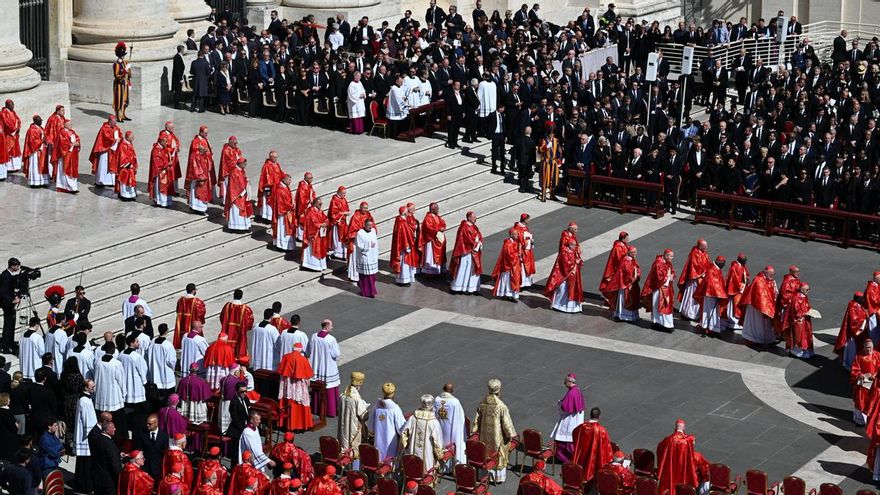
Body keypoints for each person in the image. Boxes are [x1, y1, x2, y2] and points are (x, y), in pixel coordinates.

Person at [472, 379, 517, 483]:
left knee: (485, 452)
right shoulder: (501, 406)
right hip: (498, 437)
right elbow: (507, 425)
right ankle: (497, 477)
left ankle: (484, 475)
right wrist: (510, 435)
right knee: (498, 453)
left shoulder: (482, 403)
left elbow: (477, 420)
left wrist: (475, 429)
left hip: (484, 436)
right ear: (499, 391)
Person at [656, 420, 709, 495]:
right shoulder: (688, 441)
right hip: (684, 474)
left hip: (671, 470)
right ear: (684, 428)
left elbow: (660, 449)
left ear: (675, 427)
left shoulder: (668, 440)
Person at [400, 394, 444, 475]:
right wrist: (439, 454)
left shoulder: (413, 418)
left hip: (412, 453)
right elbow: (437, 442)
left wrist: (405, 445)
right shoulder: (433, 422)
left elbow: (404, 433)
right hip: (427, 455)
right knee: (426, 471)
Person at [307, 319, 341, 417]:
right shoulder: (331, 339)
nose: (332, 327)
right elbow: (336, 354)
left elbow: (309, 350)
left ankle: (316, 408)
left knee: (318, 386)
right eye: (331, 325)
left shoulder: (314, 336)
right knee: (329, 387)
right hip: (328, 367)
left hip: (317, 366)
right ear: (326, 326)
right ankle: (330, 411)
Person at [278, 342, 314, 431]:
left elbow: (282, 372)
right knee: (299, 403)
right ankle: (300, 425)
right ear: (300, 349)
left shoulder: (286, 357)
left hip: (288, 385)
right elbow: (308, 374)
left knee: (288, 402)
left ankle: (287, 424)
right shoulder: (302, 359)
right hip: (298, 386)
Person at [739, 266, 779, 346]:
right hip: (756, 307)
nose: (772, 276)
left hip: (765, 306)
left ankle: (769, 339)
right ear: (766, 273)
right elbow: (760, 296)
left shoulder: (770, 280)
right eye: (771, 274)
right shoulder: (759, 280)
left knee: (766, 324)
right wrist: (766, 307)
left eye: (773, 274)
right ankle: (754, 339)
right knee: (757, 324)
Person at [550, 374, 585, 463]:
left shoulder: (571, 393)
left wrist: (560, 404)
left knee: (565, 440)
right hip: (576, 419)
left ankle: (565, 458)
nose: (564, 384)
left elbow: (566, 409)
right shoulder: (576, 390)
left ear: (570, 382)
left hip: (570, 420)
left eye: (565, 382)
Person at [338, 371, 369, 470]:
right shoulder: (356, 399)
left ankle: (344, 468)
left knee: (343, 445)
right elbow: (363, 415)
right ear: (359, 384)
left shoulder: (342, 396)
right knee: (354, 450)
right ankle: (354, 471)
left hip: (343, 428)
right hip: (353, 428)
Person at [368, 382, 405, 463]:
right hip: (391, 442)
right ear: (393, 394)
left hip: (378, 441)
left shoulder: (377, 407)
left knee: (379, 458)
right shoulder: (395, 409)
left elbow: (371, 427)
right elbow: (401, 429)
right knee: (390, 461)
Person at [545, 238, 583, 313]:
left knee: (574, 290)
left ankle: (573, 308)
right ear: (569, 245)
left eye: (576, 245)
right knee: (563, 290)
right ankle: (558, 305)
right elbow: (565, 264)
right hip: (564, 276)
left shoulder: (575, 252)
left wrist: (579, 262)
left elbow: (579, 260)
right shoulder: (564, 252)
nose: (575, 247)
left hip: (574, 276)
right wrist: (575, 262)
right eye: (573, 245)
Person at [450, 211, 484, 295]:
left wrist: (479, 241)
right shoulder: (464, 227)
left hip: (474, 252)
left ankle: (472, 288)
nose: (475, 218)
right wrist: (476, 243)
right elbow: (466, 240)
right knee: (463, 269)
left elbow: (479, 235)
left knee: (473, 269)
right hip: (466, 252)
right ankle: (458, 287)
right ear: (469, 218)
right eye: (474, 217)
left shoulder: (474, 227)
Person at [641, 249, 676, 330]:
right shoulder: (658, 263)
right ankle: (660, 323)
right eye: (671, 256)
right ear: (666, 256)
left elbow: (672, 271)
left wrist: (672, 276)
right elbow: (658, 277)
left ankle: (664, 324)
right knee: (660, 306)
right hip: (659, 289)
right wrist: (668, 277)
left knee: (665, 306)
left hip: (666, 288)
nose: (672, 258)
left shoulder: (667, 262)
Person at [604, 246, 641, 322]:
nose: (635, 253)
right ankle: (625, 316)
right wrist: (632, 279)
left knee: (632, 299)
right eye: (634, 252)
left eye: (635, 252)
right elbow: (627, 274)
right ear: (629, 253)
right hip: (626, 284)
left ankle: (632, 316)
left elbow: (636, 269)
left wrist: (637, 273)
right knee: (626, 300)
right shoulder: (626, 261)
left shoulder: (631, 260)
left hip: (631, 283)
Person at [433, 383, 466, 468]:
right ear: (451, 390)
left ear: (443, 388)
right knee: (453, 442)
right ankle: (451, 467)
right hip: (451, 429)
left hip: (439, 428)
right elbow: (460, 418)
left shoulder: (436, 400)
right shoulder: (455, 402)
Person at [694, 256, 728, 335]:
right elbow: (712, 284)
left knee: (713, 312)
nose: (723, 266)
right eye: (723, 264)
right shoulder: (711, 270)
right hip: (710, 294)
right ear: (719, 263)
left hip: (715, 294)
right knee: (708, 311)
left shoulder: (717, 269)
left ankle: (713, 328)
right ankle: (706, 327)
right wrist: (719, 294)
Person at [835, 292, 869, 370]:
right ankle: (849, 365)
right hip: (852, 335)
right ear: (857, 299)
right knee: (852, 351)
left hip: (856, 333)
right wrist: (864, 320)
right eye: (861, 298)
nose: (863, 300)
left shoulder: (857, 306)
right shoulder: (852, 308)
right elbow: (854, 321)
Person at [677, 239, 709, 321]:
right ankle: (688, 313)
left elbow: (706, 263)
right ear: (700, 246)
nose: (706, 248)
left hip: (701, 278)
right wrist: (704, 272)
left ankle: (696, 314)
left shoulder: (704, 252)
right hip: (694, 279)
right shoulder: (694, 253)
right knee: (692, 296)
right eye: (705, 247)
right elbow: (695, 266)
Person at [186, 125, 215, 213]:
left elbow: (207, 151)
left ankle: (199, 206)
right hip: (197, 170)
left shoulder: (205, 140)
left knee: (203, 189)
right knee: (197, 188)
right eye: (205, 133)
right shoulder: (196, 141)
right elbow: (194, 154)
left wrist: (209, 152)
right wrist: (204, 152)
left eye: (207, 133)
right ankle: (196, 207)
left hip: (204, 168)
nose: (207, 135)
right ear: (201, 132)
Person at [782, 283, 815, 358]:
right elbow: (796, 312)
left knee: (806, 337)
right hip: (799, 322)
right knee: (798, 337)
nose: (808, 291)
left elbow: (806, 305)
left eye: (809, 289)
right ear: (801, 289)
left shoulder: (804, 296)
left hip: (805, 321)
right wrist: (805, 313)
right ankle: (796, 352)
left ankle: (806, 351)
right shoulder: (796, 298)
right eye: (807, 289)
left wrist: (810, 309)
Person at [852, 340, 880, 426]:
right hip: (863, 383)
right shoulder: (859, 356)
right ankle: (860, 420)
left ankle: (872, 419)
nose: (868, 350)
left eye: (870, 348)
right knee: (860, 401)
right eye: (866, 348)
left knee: (873, 402)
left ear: (873, 347)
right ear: (863, 348)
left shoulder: (878, 355)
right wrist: (859, 375)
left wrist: (875, 375)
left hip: (874, 383)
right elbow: (855, 368)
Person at [220, 289, 255, 357]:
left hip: (228, 333)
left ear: (233, 296)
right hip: (240, 335)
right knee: (239, 350)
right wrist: (246, 328)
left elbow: (222, 317)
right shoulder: (246, 309)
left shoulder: (227, 306)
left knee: (227, 352)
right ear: (241, 296)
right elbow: (250, 321)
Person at [133, 414, 168, 483]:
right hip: (144, 466)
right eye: (147, 423)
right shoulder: (142, 433)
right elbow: (138, 448)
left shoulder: (164, 436)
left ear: (156, 424)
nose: (147, 425)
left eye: (150, 424)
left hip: (156, 466)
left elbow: (165, 451)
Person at [89, 115, 121, 188]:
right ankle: (100, 181)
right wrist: (116, 140)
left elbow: (120, 135)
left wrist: (120, 139)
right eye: (114, 122)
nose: (115, 123)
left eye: (115, 121)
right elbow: (106, 139)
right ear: (109, 122)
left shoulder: (116, 128)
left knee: (112, 165)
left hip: (113, 151)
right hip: (105, 150)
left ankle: (110, 181)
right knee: (103, 166)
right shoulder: (104, 129)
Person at [90, 421, 121, 495]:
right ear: (107, 430)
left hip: (97, 476)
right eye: (113, 428)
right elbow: (114, 463)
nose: (115, 429)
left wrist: (118, 453)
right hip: (108, 479)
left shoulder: (96, 439)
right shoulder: (109, 444)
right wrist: (119, 476)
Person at [391, 206, 419, 286]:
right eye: (407, 211)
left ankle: (403, 279)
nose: (408, 213)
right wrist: (407, 246)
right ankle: (403, 281)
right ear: (404, 212)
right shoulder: (402, 223)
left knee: (404, 264)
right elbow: (403, 236)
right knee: (404, 264)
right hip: (403, 248)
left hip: (401, 247)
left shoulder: (400, 221)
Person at [346, 202, 375, 281]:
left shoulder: (368, 215)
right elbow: (351, 231)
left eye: (366, 208)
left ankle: (364, 274)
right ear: (360, 207)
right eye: (364, 208)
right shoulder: (355, 217)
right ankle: (354, 276)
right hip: (357, 242)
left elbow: (373, 226)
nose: (365, 210)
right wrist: (361, 233)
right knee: (356, 259)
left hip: (367, 242)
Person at [492, 229, 523, 301]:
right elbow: (509, 255)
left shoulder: (514, 242)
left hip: (513, 265)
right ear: (511, 235)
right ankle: (508, 294)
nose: (518, 235)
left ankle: (508, 294)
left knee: (510, 280)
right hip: (508, 266)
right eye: (516, 234)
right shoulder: (508, 243)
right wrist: (517, 255)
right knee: (508, 280)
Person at [173, 283, 206, 350]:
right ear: (193, 291)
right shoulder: (198, 302)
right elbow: (201, 315)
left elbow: (177, 311)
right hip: (193, 327)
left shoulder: (181, 301)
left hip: (182, 327)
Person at [301, 197, 330, 271]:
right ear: (315, 203)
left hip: (320, 234)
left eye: (321, 203)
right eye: (319, 203)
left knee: (321, 248)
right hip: (313, 235)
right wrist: (320, 225)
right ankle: (312, 265)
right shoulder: (310, 211)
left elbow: (326, 218)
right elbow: (311, 223)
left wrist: (326, 222)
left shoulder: (319, 211)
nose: (321, 204)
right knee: (313, 249)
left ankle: (321, 265)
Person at [225, 156, 254, 232]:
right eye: (244, 163)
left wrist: (247, 181)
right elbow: (233, 186)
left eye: (245, 163)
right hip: (237, 196)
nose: (245, 164)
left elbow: (243, 180)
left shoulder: (241, 170)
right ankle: (236, 227)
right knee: (237, 212)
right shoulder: (234, 172)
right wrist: (243, 190)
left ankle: (243, 227)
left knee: (243, 211)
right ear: (240, 163)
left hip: (243, 194)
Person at [418, 203, 447, 276]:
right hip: (431, 241)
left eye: (438, 208)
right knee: (431, 257)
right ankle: (430, 272)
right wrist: (438, 230)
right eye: (436, 209)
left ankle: (438, 270)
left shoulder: (437, 217)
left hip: (438, 240)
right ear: (432, 210)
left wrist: (443, 227)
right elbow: (428, 228)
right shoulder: (428, 218)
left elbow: (442, 223)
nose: (438, 210)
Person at [354, 219, 380, 297]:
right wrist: (368, 246)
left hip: (372, 256)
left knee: (372, 276)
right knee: (365, 276)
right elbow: (359, 245)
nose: (370, 227)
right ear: (364, 225)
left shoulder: (373, 231)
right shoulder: (360, 233)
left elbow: (375, 242)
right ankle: (366, 292)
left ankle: (371, 291)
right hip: (364, 257)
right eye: (368, 225)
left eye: (371, 225)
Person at [54, 119, 81, 193]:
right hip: (65, 155)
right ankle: (69, 187)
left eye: (71, 124)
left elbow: (77, 137)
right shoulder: (62, 132)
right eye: (69, 124)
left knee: (73, 169)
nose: (71, 125)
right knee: (66, 170)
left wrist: (78, 142)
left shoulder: (72, 131)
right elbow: (62, 144)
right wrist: (72, 144)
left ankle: (72, 187)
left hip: (73, 154)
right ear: (65, 125)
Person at [21, 115, 48, 188]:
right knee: (35, 166)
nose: (41, 122)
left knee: (43, 165)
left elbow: (45, 137)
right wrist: (42, 141)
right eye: (39, 120)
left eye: (41, 120)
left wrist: (46, 141)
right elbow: (32, 142)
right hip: (35, 152)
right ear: (35, 121)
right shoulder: (32, 130)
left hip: (42, 150)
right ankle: (35, 182)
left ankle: (43, 181)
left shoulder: (41, 128)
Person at [257, 150, 284, 222]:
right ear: (270, 157)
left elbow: (281, 173)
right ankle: (267, 217)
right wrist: (267, 190)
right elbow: (265, 179)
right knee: (268, 203)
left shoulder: (276, 164)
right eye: (274, 157)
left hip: (276, 187)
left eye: (276, 157)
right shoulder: (267, 166)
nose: (276, 159)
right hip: (270, 189)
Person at [273, 175, 298, 251]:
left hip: (288, 212)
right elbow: (280, 203)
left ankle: (288, 246)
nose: (290, 182)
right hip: (283, 214)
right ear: (284, 180)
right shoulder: (280, 190)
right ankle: (282, 246)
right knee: (283, 230)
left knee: (289, 229)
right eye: (289, 180)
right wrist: (291, 206)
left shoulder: (285, 187)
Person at [725, 253, 749, 330]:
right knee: (735, 305)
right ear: (741, 260)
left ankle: (738, 321)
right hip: (736, 290)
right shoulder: (735, 267)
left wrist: (746, 279)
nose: (745, 262)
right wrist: (741, 286)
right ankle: (733, 321)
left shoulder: (742, 266)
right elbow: (734, 280)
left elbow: (745, 274)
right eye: (744, 261)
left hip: (740, 289)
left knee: (739, 305)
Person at [149, 135, 174, 206]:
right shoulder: (156, 150)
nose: (167, 143)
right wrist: (167, 164)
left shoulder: (162, 148)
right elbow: (157, 163)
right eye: (166, 142)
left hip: (165, 171)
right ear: (161, 141)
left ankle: (165, 201)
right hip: (160, 172)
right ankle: (160, 201)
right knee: (160, 187)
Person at [115, 131, 138, 200]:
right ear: (127, 137)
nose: (133, 138)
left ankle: (131, 195)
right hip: (125, 167)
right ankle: (124, 195)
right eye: (132, 137)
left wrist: (134, 164)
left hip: (131, 166)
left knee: (131, 181)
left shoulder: (129, 143)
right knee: (124, 181)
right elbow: (122, 156)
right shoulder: (123, 145)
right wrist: (128, 164)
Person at [329, 186, 350, 260]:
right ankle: (337, 253)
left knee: (344, 237)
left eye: (345, 193)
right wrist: (343, 213)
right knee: (338, 239)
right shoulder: (334, 200)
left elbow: (347, 207)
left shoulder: (343, 199)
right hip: (338, 223)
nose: (345, 195)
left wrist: (347, 212)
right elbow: (333, 213)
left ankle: (343, 254)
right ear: (339, 192)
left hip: (343, 222)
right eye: (344, 193)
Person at [295, 172, 316, 241]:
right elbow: (301, 199)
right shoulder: (303, 186)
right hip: (303, 207)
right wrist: (309, 201)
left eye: (312, 178)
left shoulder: (308, 184)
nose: (311, 179)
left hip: (308, 205)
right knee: (303, 221)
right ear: (306, 178)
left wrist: (313, 199)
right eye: (310, 178)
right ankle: (300, 236)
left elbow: (312, 192)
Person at [113, 42, 131, 120]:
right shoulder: (116, 64)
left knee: (125, 100)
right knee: (119, 100)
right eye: (122, 55)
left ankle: (123, 114)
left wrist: (128, 69)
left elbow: (129, 75)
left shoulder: (125, 62)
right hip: (119, 85)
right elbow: (117, 76)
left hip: (125, 84)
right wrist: (124, 72)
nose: (123, 56)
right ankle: (119, 116)